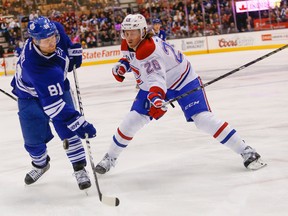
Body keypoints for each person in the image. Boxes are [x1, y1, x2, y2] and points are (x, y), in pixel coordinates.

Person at [95, 14, 266, 174]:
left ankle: (246, 150)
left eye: (133, 33)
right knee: (132, 120)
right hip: (154, 84)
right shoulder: (129, 43)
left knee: (203, 119)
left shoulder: (148, 50)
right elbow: (129, 58)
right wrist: (122, 66)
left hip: (183, 81)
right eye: (126, 33)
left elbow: (157, 81)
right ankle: (110, 157)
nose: (129, 37)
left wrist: (156, 99)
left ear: (142, 32)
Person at [10, 16, 97, 190]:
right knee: (33, 137)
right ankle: (40, 164)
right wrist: (79, 122)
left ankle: (79, 167)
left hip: (58, 85)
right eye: (46, 41)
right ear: (34, 41)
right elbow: (55, 107)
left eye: (53, 38)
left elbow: (61, 36)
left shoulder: (53, 30)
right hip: (29, 95)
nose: (52, 43)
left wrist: (71, 50)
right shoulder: (36, 67)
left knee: (67, 131)